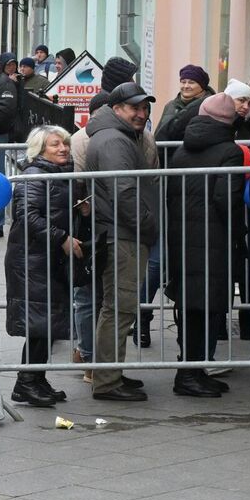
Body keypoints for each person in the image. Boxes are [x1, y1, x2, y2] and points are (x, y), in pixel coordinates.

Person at [164, 94, 245, 398]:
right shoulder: (229, 151)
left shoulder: (183, 149)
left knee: (190, 308)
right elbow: (229, 200)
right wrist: (239, 233)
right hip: (214, 241)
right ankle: (189, 375)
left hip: (182, 238)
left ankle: (192, 371)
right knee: (205, 309)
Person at [84, 82, 160, 402]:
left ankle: (110, 372)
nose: (141, 114)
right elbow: (124, 192)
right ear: (117, 110)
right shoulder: (115, 140)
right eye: (135, 108)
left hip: (120, 231)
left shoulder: (116, 136)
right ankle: (107, 380)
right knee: (119, 308)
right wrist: (148, 225)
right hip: (123, 234)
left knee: (119, 307)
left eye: (144, 108)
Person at [4, 126, 81, 407]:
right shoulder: (35, 176)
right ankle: (26, 382)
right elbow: (27, 215)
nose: (63, 149)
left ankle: (36, 378)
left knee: (47, 323)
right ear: (40, 150)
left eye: (65, 144)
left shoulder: (58, 175)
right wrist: (60, 237)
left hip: (45, 258)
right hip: (31, 260)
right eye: (55, 145)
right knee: (40, 323)